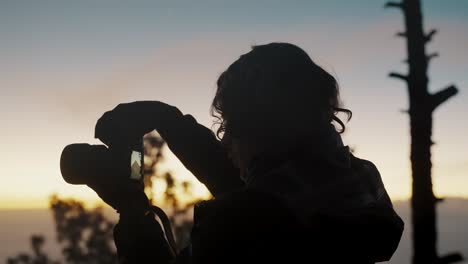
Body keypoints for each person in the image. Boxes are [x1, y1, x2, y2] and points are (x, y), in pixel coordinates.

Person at [93, 42, 404, 263]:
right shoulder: (360, 182)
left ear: (259, 129)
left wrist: (134, 215)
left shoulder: (238, 223)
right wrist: (168, 121)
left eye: (231, 127)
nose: (226, 143)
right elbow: (253, 190)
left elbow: (250, 207)